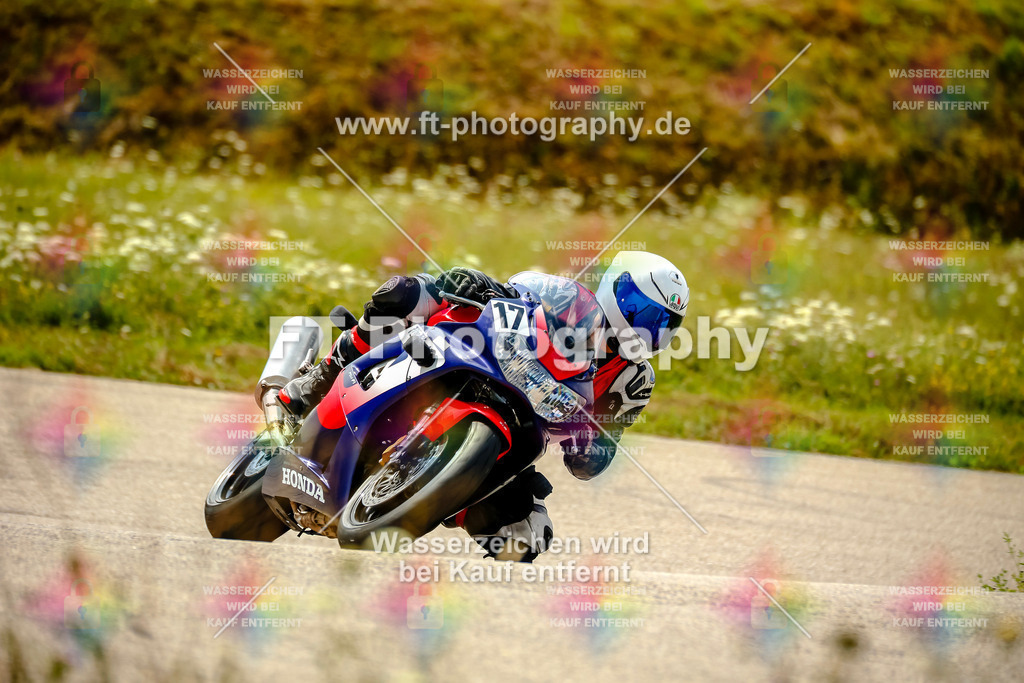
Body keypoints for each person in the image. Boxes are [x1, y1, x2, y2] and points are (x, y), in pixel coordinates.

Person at [278, 251, 689, 561]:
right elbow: (519, 293)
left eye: (662, 323)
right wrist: (477, 284)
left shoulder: (634, 381)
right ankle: (323, 376)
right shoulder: (570, 303)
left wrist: (596, 447)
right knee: (406, 293)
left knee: (525, 539)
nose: (647, 328)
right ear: (616, 290)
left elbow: (597, 450)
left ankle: (427, 492)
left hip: (520, 429)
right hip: (483, 360)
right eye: (642, 310)